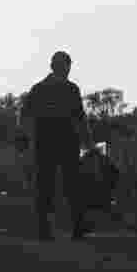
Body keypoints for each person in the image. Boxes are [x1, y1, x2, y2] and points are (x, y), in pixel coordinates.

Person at [20, 51, 94, 241]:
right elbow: (80, 119)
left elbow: (24, 116)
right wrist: (89, 144)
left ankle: (44, 230)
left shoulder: (39, 88)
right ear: (66, 66)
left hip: (45, 142)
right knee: (71, 186)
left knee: (46, 187)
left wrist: (29, 139)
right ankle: (76, 228)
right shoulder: (70, 89)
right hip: (66, 142)